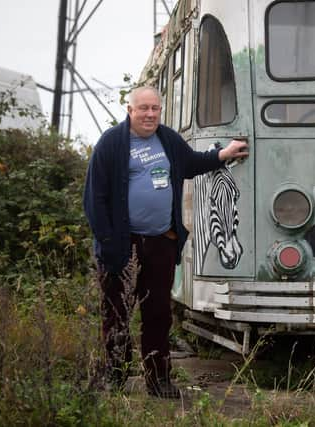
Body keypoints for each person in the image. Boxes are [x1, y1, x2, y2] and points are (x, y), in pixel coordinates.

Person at [83, 86, 248, 398]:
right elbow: (94, 199)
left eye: (155, 109)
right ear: (130, 110)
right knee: (117, 313)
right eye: (143, 108)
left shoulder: (167, 138)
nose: (149, 114)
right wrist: (108, 243)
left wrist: (222, 155)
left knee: (158, 315)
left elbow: (191, 163)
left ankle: (158, 381)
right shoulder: (111, 144)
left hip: (161, 242)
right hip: (122, 245)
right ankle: (116, 378)